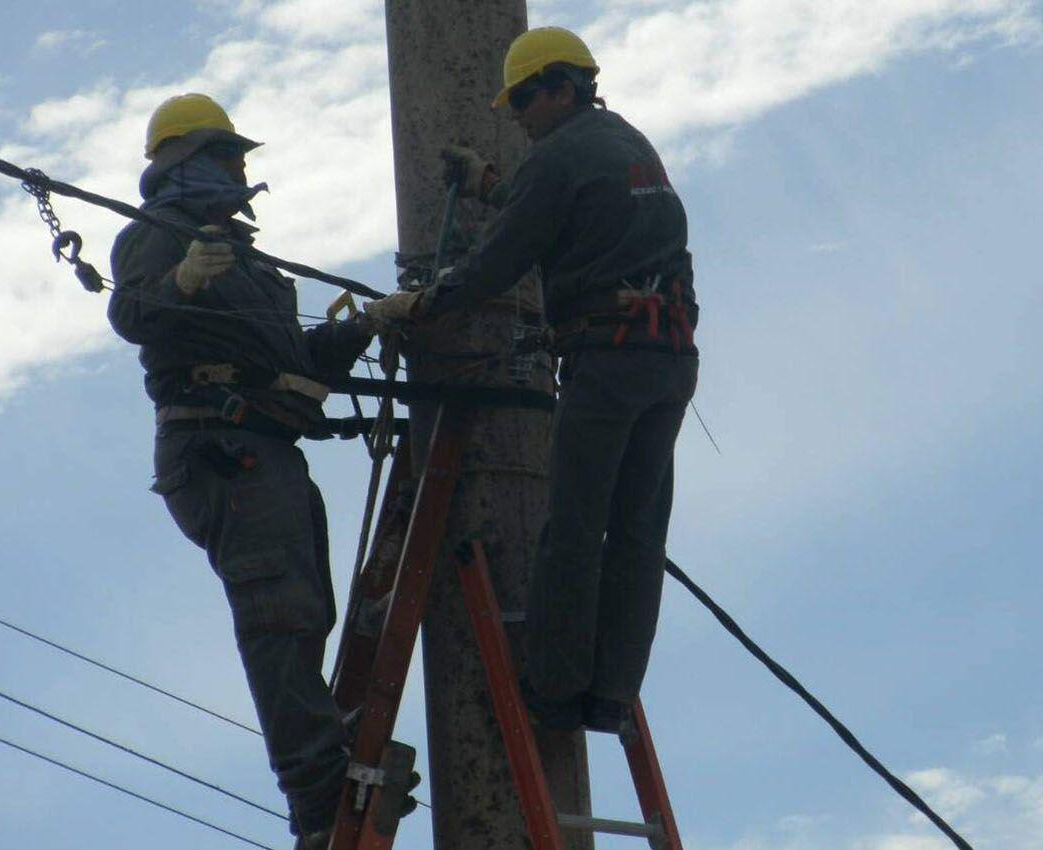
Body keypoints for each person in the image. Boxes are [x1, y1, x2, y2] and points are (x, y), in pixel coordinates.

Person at [365, 27, 700, 732]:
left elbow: (499, 261)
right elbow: (566, 209)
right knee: (638, 533)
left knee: (575, 528)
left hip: (605, 365)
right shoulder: (628, 143)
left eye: (521, 99)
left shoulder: (558, 158)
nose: (516, 115)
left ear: (558, 87)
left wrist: (425, 302)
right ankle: (610, 695)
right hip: (667, 361)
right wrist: (492, 186)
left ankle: (553, 687)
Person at [107, 93, 374, 847]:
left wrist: (364, 331)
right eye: (229, 154)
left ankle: (322, 765)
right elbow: (132, 314)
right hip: (219, 452)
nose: (242, 167)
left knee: (305, 612)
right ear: (186, 158)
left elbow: (291, 366)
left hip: (264, 450)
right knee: (280, 617)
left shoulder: (245, 260)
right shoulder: (161, 235)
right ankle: (320, 798)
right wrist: (182, 280)